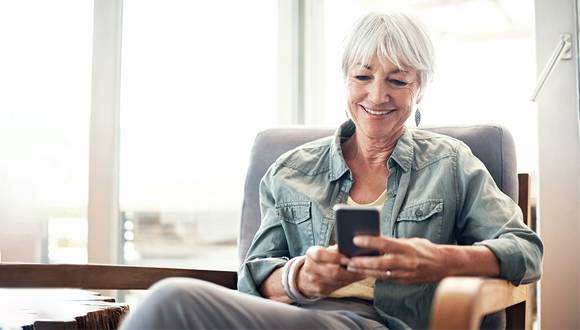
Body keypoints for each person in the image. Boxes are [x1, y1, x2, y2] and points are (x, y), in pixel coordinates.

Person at [120, 11, 543, 330]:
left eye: (398, 81)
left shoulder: (451, 163)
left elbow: (526, 250)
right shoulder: (289, 171)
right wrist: (300, 278)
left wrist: (438, 260)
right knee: (168, 300)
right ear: (345, 79)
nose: (377, 95)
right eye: (363, 76)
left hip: (385, 323)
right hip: (299, 317)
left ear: (421, 87)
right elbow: (255, 277)